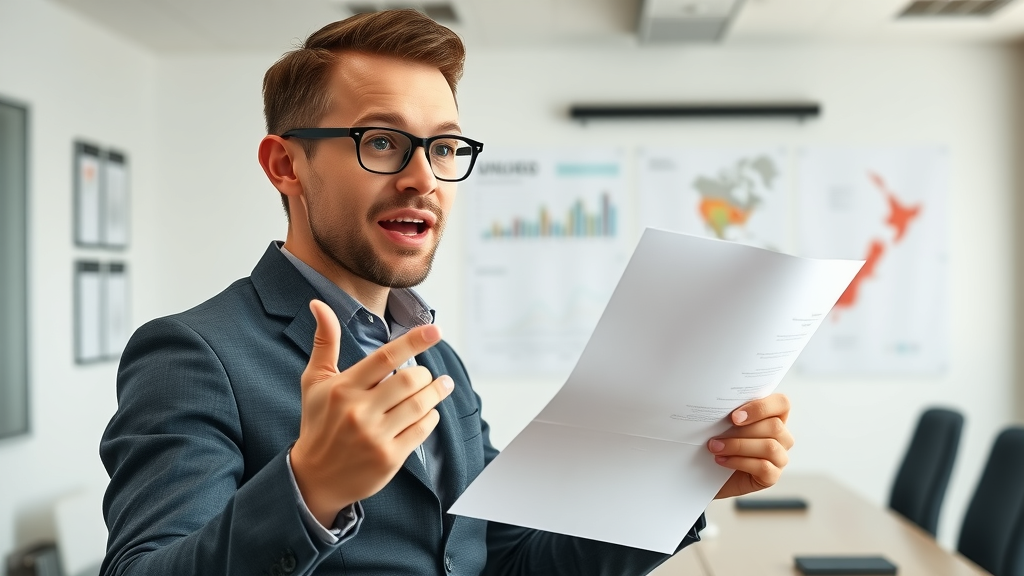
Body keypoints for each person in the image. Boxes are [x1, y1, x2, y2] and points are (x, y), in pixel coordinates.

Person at [99, 9, 794, 576]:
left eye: (444, 147)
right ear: (286, 165)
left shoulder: (434, 358)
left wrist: (675, 483)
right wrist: (310, 489)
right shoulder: (194, 353)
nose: (423, 178)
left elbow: (505, 558)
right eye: (381, 142)